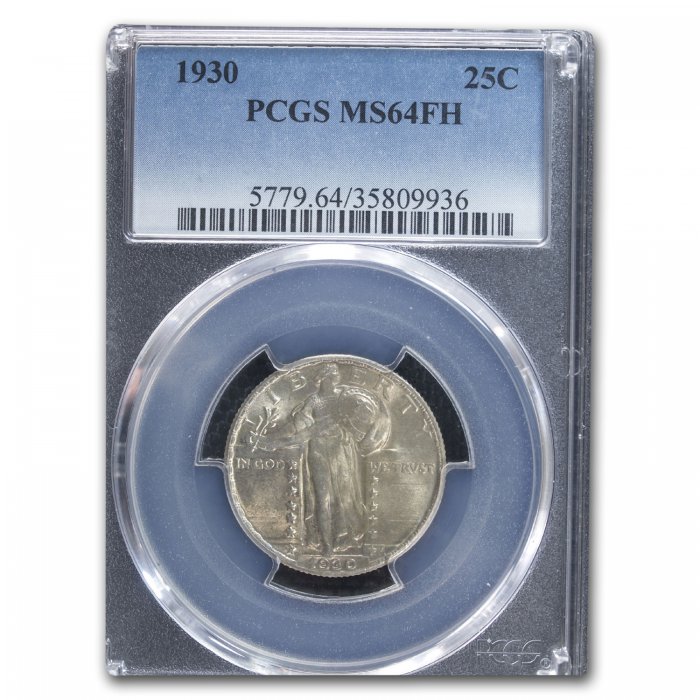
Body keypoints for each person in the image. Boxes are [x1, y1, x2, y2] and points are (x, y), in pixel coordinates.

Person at [253, 363, 390, 556]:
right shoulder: (313, 400)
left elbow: (365, 417)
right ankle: (326, 544)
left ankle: (345, 536)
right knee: (322, 497)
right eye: (330, 376)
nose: (333, 380)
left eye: (335, 376)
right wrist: (271, 440)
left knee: (345, 497)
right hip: (318, 450)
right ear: (322, 378)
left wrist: (368, 429)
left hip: (342, 450)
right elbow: (296, 426)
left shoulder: (345, 397)